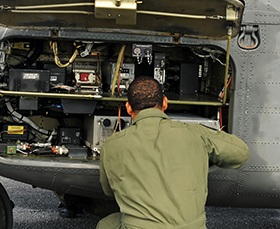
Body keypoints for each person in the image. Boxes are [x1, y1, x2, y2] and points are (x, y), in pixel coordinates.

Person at [97, 76, 250, 229]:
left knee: (105, 224)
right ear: (165, 102)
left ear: (128, 108)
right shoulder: (196, 133)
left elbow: (108, 191)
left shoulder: (112, 145)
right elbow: (241, 153)